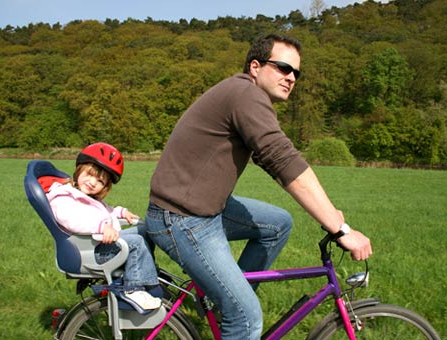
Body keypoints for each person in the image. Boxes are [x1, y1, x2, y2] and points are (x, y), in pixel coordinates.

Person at [145, 34, 372, 338]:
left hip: (199, 208)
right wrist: (339, 227)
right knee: (247, 317)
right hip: (183, 219)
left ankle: (228, 295)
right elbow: (282, 160)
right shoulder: (245, 95)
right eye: (282, 67)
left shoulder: (242, 93)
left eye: (296, 73)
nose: (291, 77)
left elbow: (277, 158)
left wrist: (331, 214)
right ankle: (235, 307)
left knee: (277, 224)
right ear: (255, 66)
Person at [47, 142, 162, 314]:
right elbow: (73, 220)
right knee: (136, 242)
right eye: (89, 175)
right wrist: (101, 227)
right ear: (79, 170)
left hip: (99, 244)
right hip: (89, 250)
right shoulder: (64, 197)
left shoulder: (85, 197)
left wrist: (122, 213)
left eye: (100, 181)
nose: (92, 182)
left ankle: (145, 274)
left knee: (144, 230)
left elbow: (104, 212)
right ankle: (133, 289)